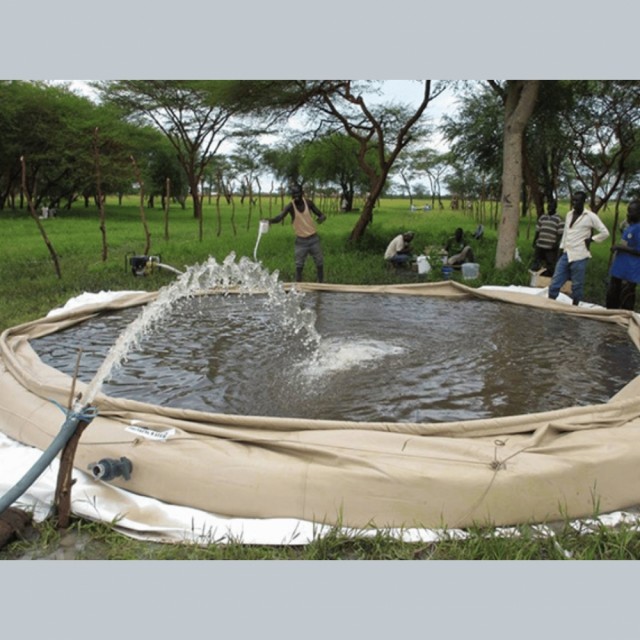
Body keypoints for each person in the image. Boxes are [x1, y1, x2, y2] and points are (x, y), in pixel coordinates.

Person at [548, 191, 610, 306]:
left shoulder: (590, 216)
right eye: (573, 200)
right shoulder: (569, 214)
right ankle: (549, 303)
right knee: (555, 282)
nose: (574, 203)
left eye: (577, 201)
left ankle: (575, 307)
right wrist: (561, 250)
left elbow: (605, 232)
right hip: (567, 253)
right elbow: (566, 233)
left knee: (577, 286)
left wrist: (591, 239)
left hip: (580, 255)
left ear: (583, 202)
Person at [265, 183, 327, 282]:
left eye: (298, 193)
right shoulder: (290, 206)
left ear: (302, 193)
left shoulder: (308, 203)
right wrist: (269, 221)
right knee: (299, 266)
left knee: (319, 263)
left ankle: (321, 284)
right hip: (301, 242)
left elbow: (321, 214)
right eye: (294, 194)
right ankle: (298, 286)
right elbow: (279, 218)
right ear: (292, 195)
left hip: (314, 239)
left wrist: (322, 218)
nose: (296, 196)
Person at [606, 200, 640, 310]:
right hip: (619, 270)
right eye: (628, 211)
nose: (628, 214)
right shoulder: (630, 226)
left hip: (629, 273)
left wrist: (621, 247)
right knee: (612, 299)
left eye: (631, 212)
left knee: (625, 301)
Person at [531, 199, 563, 276]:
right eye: (548, 206)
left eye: (551, 207)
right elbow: (538, 230)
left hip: (550, 246)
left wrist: (556, 244)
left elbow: (560, 233)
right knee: (536, 262)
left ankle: (548, 279)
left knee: (550, 263)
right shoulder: (542, 217)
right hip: (540, 245)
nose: (549, 208)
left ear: (555, 207)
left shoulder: (559, 219)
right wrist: (534, 241)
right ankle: (536, 277)